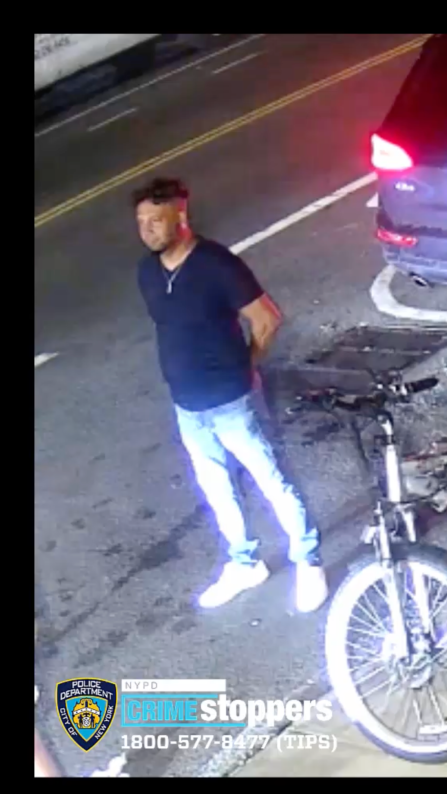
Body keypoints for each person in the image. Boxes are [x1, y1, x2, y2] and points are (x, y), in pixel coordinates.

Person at [132, 177, 327, 613]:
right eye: (141, 222)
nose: (147, 230)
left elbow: (267, 319)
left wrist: (247, 366)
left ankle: (308, 560)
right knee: (216, 488)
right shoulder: (147, 272)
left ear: (180, 218)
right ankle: (244, 562)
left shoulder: (217, 264)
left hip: (232, 401)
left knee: (271, 480)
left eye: (155, 221)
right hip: (187, 406)